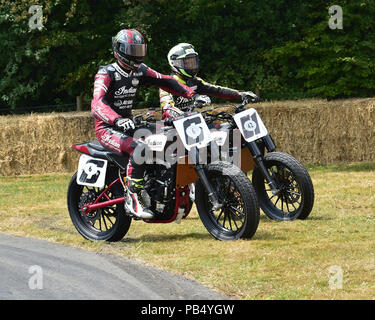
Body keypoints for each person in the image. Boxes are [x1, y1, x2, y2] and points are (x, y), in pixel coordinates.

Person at [91, 30, 197, 219]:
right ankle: (134, 197)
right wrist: (116, 119)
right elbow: (97, 103)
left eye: (139, 49)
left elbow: (166, 80)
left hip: (129, 124)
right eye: (132, 49)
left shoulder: (140, 70)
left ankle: (164, 183)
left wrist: (191, 94)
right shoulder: (106, 73)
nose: (136, 54)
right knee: (140, 148)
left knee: (170, 134)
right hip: (108, 128)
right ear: (119, 50)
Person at [159, 43, 260, 120]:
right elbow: (167, 107)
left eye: (193, 62)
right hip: (171, 128)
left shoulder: (195, 81)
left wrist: (240, 94)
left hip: (192, 123)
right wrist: (184, 115)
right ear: (175, 63)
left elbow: (217, 90)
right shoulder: (166, 84)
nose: (191, 66)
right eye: (187, 63)